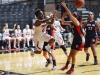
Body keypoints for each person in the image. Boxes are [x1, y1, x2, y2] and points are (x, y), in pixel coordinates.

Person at [60, 1, 85, 74]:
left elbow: (70, 15)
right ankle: (67, 65)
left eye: (74, 16)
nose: (72, 17)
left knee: (73, 54)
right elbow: (63, 23)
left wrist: (65, 7)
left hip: (80, 40)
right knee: (70, 53)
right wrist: (63, 17)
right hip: (75, 39)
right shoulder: (71, 23)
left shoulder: (77, 22)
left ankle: (72, 68)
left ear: (76, 17)